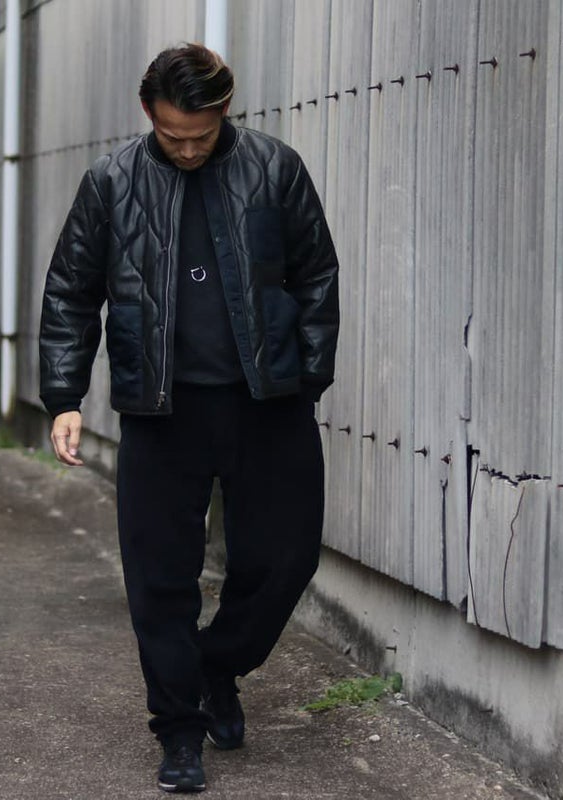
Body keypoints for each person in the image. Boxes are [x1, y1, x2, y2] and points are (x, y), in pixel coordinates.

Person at [39, 43, 339, 794]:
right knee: (160, 579)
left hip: (267, 404)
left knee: (284, 560)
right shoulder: (111, 181)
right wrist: (64, 397)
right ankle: (178, 728)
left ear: (224, 110)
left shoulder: (274, 168)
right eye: (173, 135)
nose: (188, 149)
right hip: (160, 410)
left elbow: (316, 275)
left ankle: (214, 667)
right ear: (149, 112)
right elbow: (71, 290)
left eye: (201, 136)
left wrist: (307, 379)